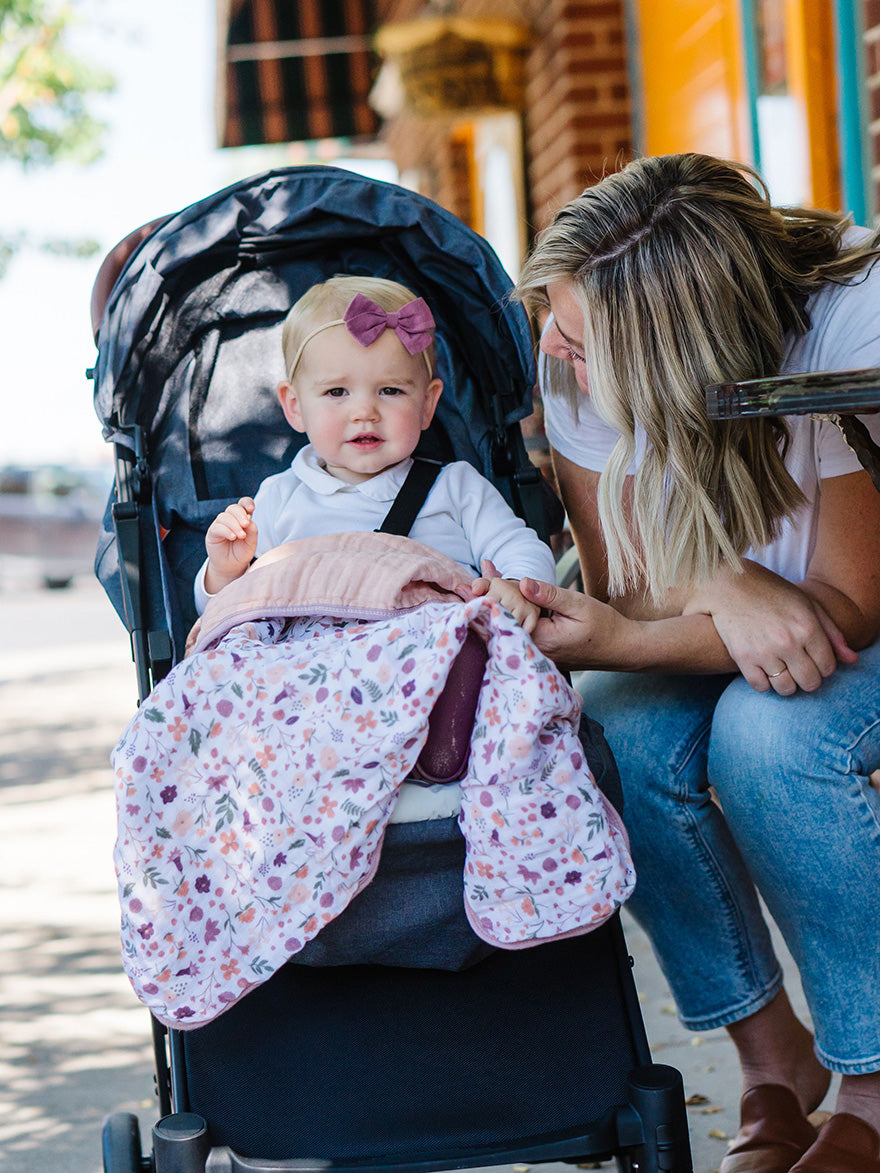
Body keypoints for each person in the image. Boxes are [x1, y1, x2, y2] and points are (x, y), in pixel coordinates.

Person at [512, 153, 880, 1173]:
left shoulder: (850, 322)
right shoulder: (572, 350)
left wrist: (633, 636)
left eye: (581, 340)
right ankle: (774, 1068)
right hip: (739, 618)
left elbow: (850, 600)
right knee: (617, 732)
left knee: (770, 741)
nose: (551, 349)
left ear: (678, 343)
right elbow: (626, 576)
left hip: (861, 621)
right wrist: (718, 582)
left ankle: (875, 1084)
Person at [194, 274, 555, 624]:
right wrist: (223, 574)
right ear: (295, 406)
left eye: (390, 391)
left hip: (433, 660)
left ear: (427, 405)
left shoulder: (457, 487)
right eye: (337, 392)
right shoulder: (278, 498)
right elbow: (230, 609)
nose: (364, 412)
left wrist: (516, 585)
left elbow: (521, 547)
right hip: (312, 671)